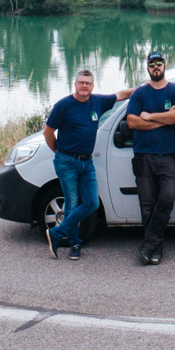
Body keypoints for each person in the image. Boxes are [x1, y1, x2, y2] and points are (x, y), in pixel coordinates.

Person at [42, 70, 134, 260]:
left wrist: (144, 88)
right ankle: (75, 244)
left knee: (91, 202)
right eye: (81, 82)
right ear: (75, 84)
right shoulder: (64, 105)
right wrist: (59, 152)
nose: (84, 86)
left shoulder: (97, 102)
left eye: (88, 83)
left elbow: (121, 95)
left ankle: (56, 233)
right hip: (66, 162)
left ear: (93, 86)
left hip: (87, 162)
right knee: (72, 203)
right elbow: (48, 132)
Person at [125, 50, 175, 265]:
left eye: (159, 63)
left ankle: (148, 244)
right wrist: (166, 119)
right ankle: (155, 249)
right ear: (147, 67)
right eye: (152, 64)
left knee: (167, 199)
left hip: (170, 157)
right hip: (144, 157)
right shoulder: (140, 94)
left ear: (165, 65)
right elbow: (132, 122)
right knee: (147, 205)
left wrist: (151, 117)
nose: (155, 67)